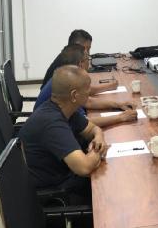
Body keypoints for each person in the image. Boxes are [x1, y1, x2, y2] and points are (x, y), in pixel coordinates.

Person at [19, 65, 108, 205]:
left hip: (63, 178)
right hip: (53, 196)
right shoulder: (52, 123)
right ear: (74, 95)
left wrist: (99, 138)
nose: (90, 91)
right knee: (109, 192)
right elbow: (84, 167)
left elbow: (93, 129)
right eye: (87, 88)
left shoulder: (65, 109)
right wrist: (98, 151)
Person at [34, 44, 137, 127]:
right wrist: (121, 117)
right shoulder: (68, 84)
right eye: (88, 59)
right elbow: (84, 123)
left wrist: (118, 104)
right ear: (80, 64)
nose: (90, 62)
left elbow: (88, 102)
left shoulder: (66, 76)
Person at [42, 29, 119, 95]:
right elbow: (84, 93)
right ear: (77, 45)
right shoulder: (68, 64)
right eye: (87, 48)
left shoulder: (67, 56)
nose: (88, 53)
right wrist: (110, 86)